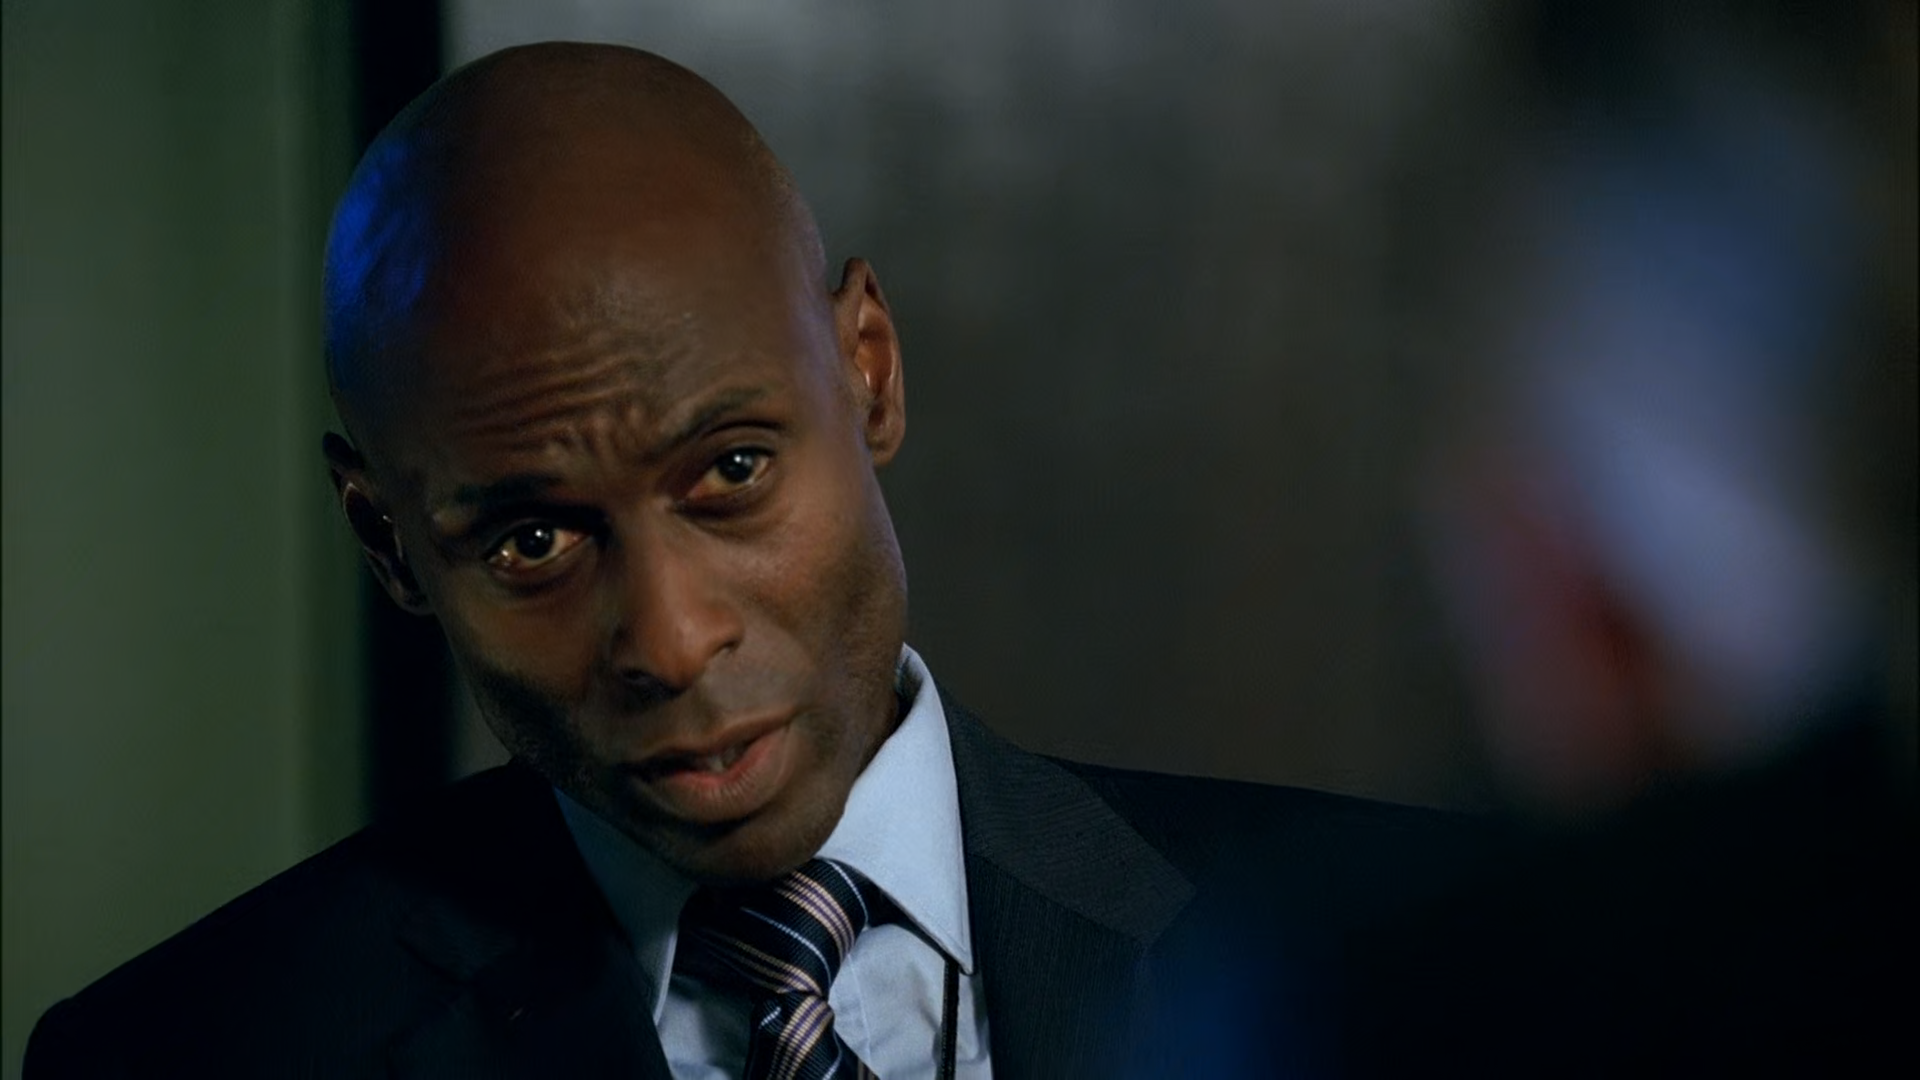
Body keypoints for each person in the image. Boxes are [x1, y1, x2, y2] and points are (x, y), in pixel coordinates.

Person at [24, 43, 1470, 1079]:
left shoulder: (1417, 960)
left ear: (869, 370)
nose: (669, 640)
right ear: (387, 542)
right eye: (532, 540)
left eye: (730, 472)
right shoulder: (191, 1052)